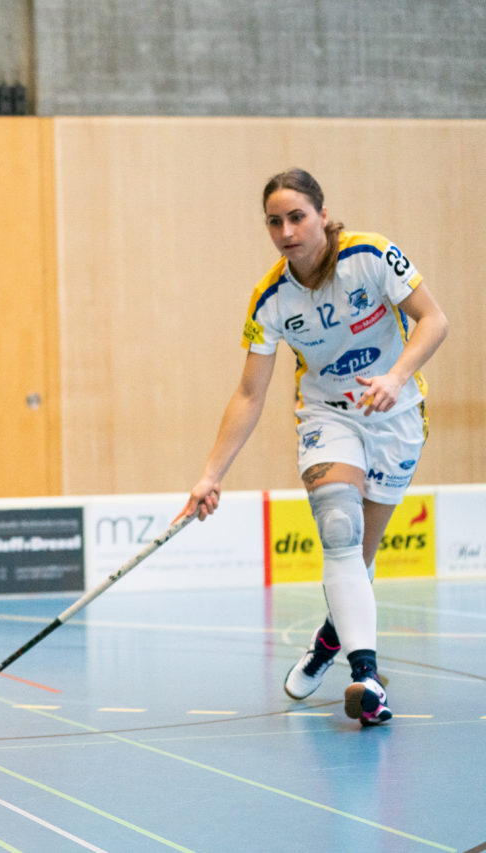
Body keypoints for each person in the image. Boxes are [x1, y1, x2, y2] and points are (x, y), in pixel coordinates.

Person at [183, 168, 448, 727]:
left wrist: (397, 376)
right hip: (327, 416)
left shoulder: (373, 256)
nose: (286, 231)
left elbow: (434, 320)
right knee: (339, 535)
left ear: (322, 216)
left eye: (297, 216)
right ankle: (366, 677)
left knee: (360, 561)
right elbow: (250, 393)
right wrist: (211, 474)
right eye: (274, 222)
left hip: (396, 414)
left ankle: (329, 640)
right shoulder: (270, 301)